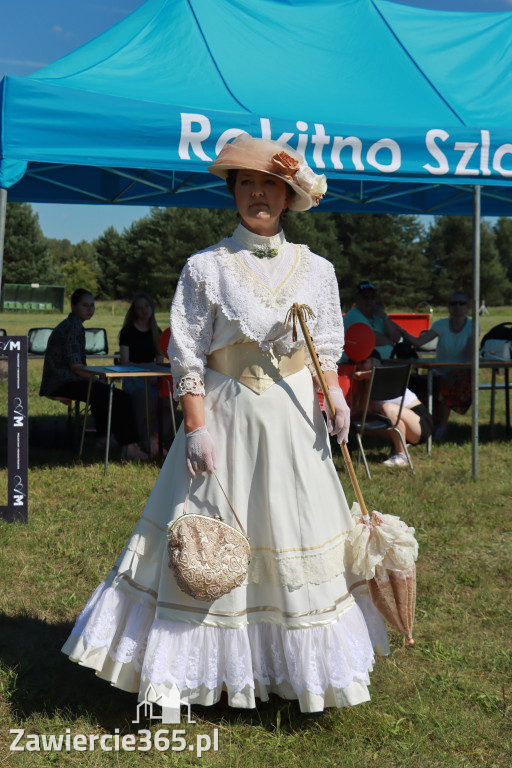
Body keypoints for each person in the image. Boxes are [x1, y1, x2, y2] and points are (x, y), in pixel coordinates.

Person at [62, 136, 389, 714]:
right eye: (245, 184)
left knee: (291, 536)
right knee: (207, 543)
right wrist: (196, 428)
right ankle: (180, 673)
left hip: (294, 426)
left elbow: (328, 351)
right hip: (227, 419)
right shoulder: (205, 267)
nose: (257, 193)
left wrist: (335, 398)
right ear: (233, 193)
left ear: (288, 196)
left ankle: (299, 674)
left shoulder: (318, 270)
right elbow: (186, 354)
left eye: (269, 185)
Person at [40, 288, 148, 460]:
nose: (89, 309)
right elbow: (75, 367)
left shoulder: (73, 325)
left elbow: (77, 367)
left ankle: (105, 439)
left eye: (92, 305)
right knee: (120, 397)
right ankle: (129, 446)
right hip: (61, 383)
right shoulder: (73, 327)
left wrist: (96, 379)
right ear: (73, 306)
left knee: (103, 393)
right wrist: (96, 379)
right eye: (85, 305)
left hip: (63, 380)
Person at [401, 291, 473, 440]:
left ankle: (442, 427)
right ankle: (420, 426)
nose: (457, 307)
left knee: (446, 383)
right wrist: (400, 331)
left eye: (461, 303)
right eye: (453, 303)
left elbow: (470, 356)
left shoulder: (473, 326)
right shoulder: (441, 324)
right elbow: (419, 342)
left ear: (468, 307)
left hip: (463, 374)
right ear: (448, 306)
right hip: (439, 372)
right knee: (415, 384)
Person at [354, 355, 433, 467]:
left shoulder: (385, 377)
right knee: (362, 426)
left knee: (387, 408)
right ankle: (399, 446)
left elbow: (379, 374)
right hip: (405, 425)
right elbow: (364, 413)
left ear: (373, 362)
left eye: (363, 361)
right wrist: (365, 387)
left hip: (420, 423)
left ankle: (402, 455)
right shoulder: (365, 384)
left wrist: (363, 375)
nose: (359, 365)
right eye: (357, 363)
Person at [119, 292, 171, 457]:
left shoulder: (157, 331)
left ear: (152, 308)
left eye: (146, 306)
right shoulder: (127, 332)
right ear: (134, 311)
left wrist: (154, 377)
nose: (144, 311)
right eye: (139, 308)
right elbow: (125, 363)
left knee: (168, 399)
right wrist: (144, 375)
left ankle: (156, 439)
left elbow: (159, 359)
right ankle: (144, 440)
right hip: (133, 376)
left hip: (152, 376)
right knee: (146, 397)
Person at [342, 281, 403, 361]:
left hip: (382, 365)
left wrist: (385, 317)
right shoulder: (352, 316)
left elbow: (396, 337)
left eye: (372, 297)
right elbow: (371, 338)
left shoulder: (378, 316)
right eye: (365, 297)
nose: (369, 300)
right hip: (357, 366)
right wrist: (391, 342)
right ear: (356, 298)